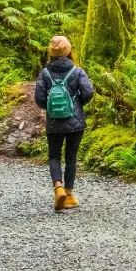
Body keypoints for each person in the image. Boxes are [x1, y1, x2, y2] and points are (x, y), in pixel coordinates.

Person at [34, 35, 94, 211]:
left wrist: (51, 109)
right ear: (69, 51)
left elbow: (39, 99)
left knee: (54, 156)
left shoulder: (44, 73)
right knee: (71, 158)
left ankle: (58, 187)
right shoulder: (77, 71)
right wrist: (77, 105)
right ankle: (68, 194)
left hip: (54, 123)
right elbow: (88, 92)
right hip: (75, 124)